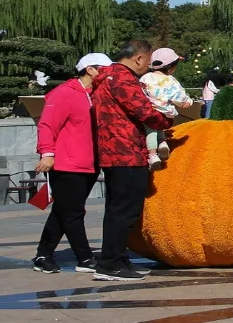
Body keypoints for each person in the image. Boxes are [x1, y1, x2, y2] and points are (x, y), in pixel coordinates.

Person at [92, 40, 174, 281]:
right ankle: (111, 264)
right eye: (149, 61)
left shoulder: (105, 77)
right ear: (139, 58)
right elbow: (143, 111)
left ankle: (117, 258)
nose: (149, 67)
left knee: (117, 209)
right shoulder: (122, 78)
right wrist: (167, 121)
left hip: (112, 151)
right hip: (126, 152)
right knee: (125, 210)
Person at [31, 53, 111, 274]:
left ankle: (43, 255)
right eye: (105, 69)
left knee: (64, 211)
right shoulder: (65, 93)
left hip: (91, 163)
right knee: (73, 212)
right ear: (91, 70)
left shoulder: (98, 94)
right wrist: (47, 153)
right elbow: (47, 125)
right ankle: (84, 258)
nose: (109, 74)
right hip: (67, 164)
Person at [140, 48, 193, 167]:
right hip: (166, 112)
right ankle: (163, 143)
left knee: (151, 131)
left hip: (150, 111)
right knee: (160, 127)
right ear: (170, 67)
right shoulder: (171, 80)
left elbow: (140, 93)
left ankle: (152, 155)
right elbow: (179, 97)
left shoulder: (145, 78)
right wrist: (188, 102)